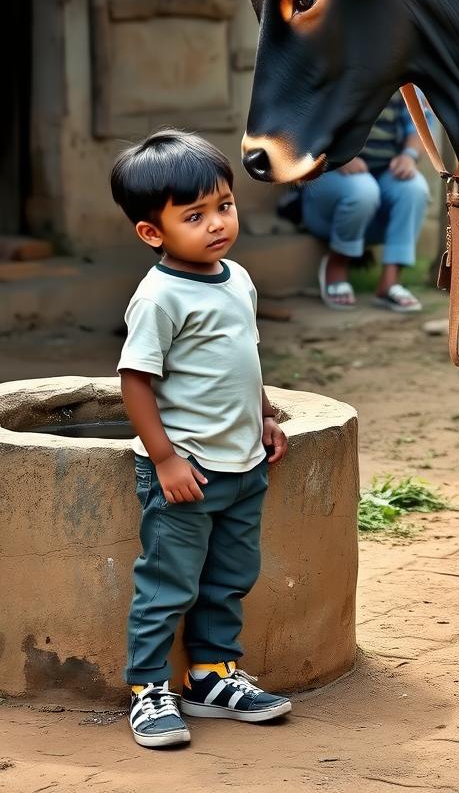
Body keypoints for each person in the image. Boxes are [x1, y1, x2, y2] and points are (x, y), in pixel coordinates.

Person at [110, 129, 291, 749]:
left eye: (224, 206)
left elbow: (246, 359)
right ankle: (147, 689)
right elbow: (135, 382)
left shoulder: (236, 277)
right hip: (187, 472)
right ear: (152, 233)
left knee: (230, 576)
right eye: (195, 216)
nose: (216, 224)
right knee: (168, 585)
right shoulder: (160, 296)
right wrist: (164, 458)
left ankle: (212, 677)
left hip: (242, 465)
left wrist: (265, 415)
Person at [303, 90, 431, 312]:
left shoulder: (402, 73)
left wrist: (409, 156)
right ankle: (337, 264)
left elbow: (419, 121)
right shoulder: (332, 64)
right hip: (329, 173)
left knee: (415, 188)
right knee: (363, 190)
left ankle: (390, 282)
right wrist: (334, 156)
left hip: (383, 174)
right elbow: (304, 119)